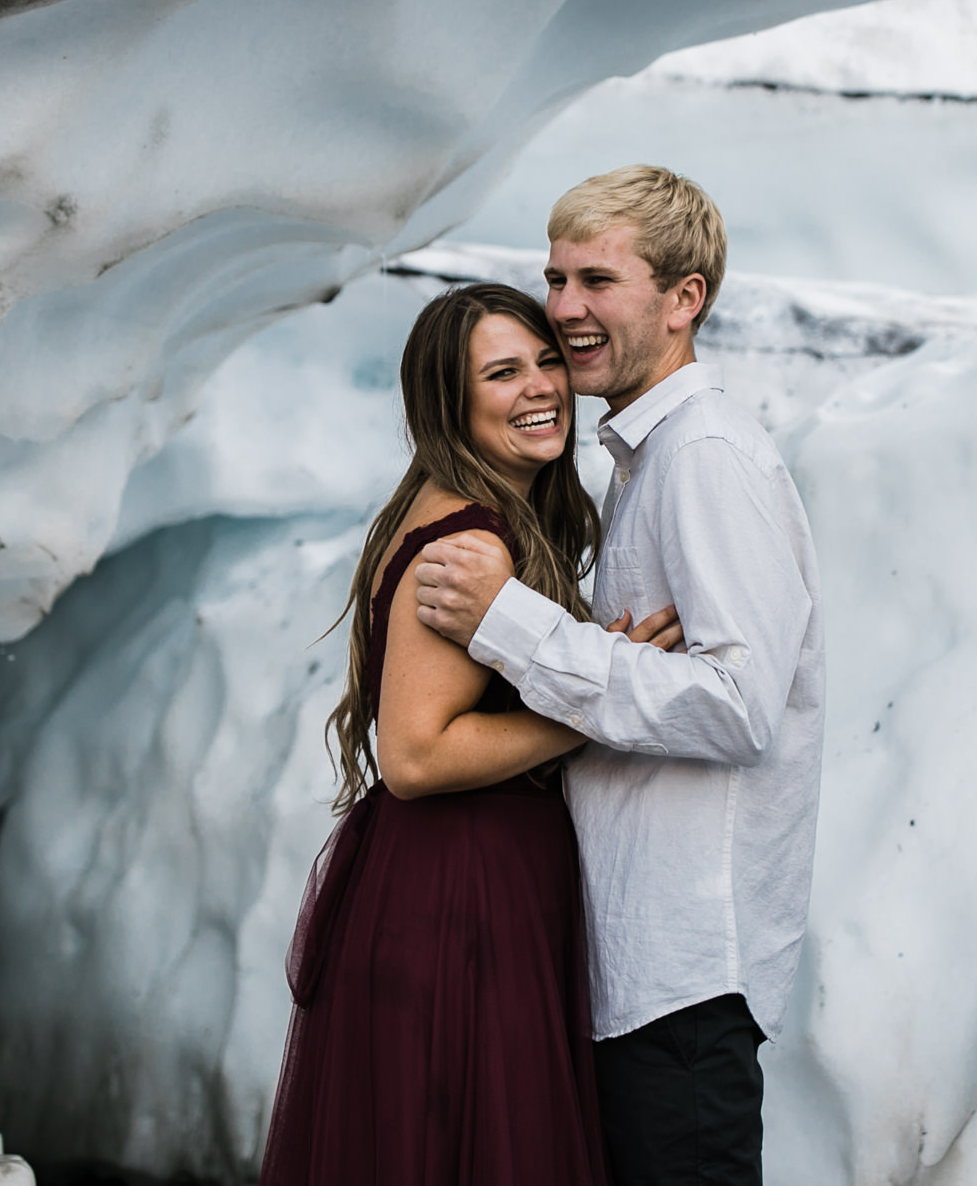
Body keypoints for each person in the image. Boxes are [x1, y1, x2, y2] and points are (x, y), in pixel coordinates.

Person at [415, 167, 824, 1186]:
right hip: (638, 962)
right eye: (554, 278)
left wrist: (520, 628)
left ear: (683, 299)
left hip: (682, 974)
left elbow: (739, 709)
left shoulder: (706, 459)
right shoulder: (644, 462)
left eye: (597, 278)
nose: (562, 308)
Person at [260, 281, 680, 1186]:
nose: (540, 387)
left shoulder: (472, 512)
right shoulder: (469, 540)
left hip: (466, 883)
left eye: (544, 361)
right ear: (450, 404)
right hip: (459, 897)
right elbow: (414, 754)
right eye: (502, 372)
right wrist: (587, 704)